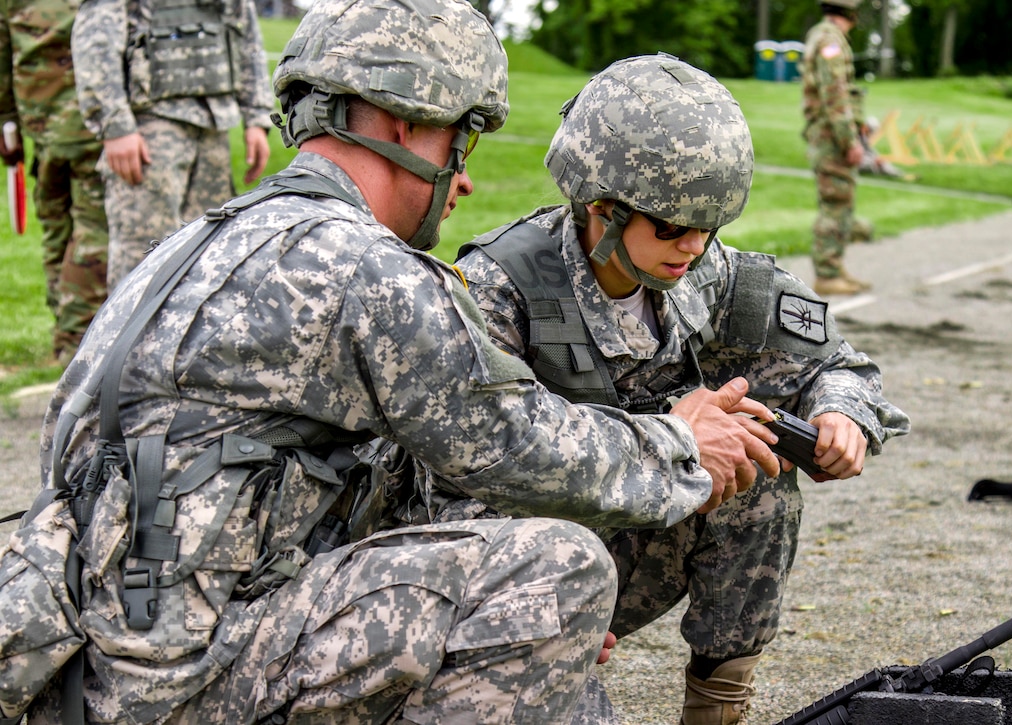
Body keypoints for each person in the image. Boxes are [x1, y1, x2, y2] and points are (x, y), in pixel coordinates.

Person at [18, 2, 786, 722]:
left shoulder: (194, 245)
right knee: (558, 572)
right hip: (192, 679)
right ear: (401, 123)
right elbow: (517, 444)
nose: (465, 177)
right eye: (462, 143)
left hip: (102, 668)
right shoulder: (356, 265)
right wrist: (682, 442)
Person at [439, 54, 908, 724]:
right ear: (601, 207)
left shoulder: (708, 272)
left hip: (626, 539)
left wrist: (840, 411)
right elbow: (443, 488)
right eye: (669, 226)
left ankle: (716, 709)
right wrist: (535, 589)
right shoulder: (501, 290)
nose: (692, 245)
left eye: (708, 225)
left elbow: (838, 363)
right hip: (517, 563)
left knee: (758, 462)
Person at [71, 0, 274, 291]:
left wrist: (256, 116)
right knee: (143, 258)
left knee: (208, 253)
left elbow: (244, 28)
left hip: (212, 127)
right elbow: (96, 39)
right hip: (150, 129)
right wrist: (114, 125)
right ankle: (132, 336)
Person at [0, 0, 108, 365]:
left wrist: (7, 126)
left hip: (42, 126)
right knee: (93, 235)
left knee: (57, 233)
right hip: (93, 124)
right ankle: (76, 344)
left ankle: (64, 332)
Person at [801, 0, 874, 296]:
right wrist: (849, 140)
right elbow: (835, 94)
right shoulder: (830, 40)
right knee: (836, 204)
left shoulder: (822, 35)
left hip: (829, 133)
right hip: (832, 136)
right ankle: (828, 273)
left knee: (841, 201)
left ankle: (835, 264)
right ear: (852, 13)